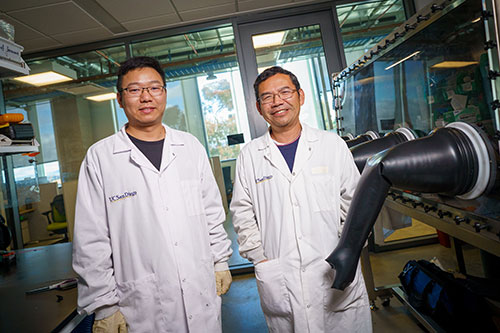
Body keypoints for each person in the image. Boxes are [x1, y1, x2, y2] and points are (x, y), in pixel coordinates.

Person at [72, 56, 233, 333]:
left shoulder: (190, 147)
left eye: (154, 88)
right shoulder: (101, 157)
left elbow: (211, 213)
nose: (146, 97)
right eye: (134, 90)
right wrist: (104, 305)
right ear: (120, 99)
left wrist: (220, 261)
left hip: (199, 295)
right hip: (141, 305)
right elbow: (91, 239)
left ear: (165, 94)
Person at [230, 66, 372, 332]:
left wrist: (347, 250)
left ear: (300, 96)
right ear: (259, 108)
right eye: (267, 97)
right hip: (280, 274)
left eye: (285, 92)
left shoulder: (331, 145)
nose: (277, 102)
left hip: (333, 269)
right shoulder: (250, 155)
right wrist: (261, 258)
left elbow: (354, 205)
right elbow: (242, 212)